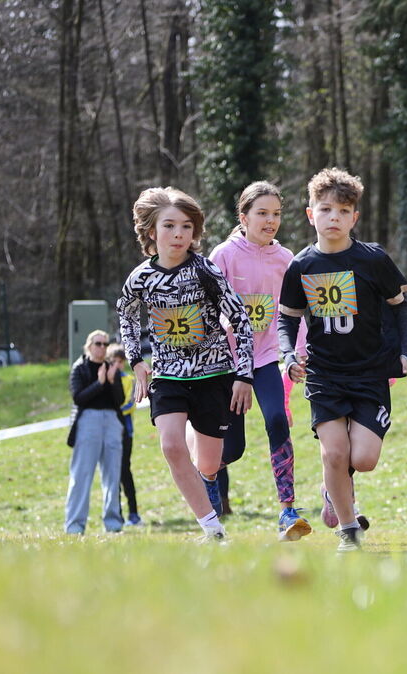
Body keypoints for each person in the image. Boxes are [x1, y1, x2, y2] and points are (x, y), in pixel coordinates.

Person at [278, 168, 407, 552]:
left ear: (355, 217)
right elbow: (286, 318)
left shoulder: (373, 260)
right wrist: (289, 354)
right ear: (310, 215)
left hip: (370, 374)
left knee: (364, 458)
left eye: (342, 210)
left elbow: (402, 308)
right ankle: (349, 530)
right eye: (325, 209)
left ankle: (331, 485)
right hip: (325, 375)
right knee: (334, 452)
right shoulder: (301, 266)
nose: (333, 218)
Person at [116, 187, 255, 543]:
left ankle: (197, 434)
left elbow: (240, 319)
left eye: (186, 227)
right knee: (171, 447)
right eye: (169, 226)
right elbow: (127, 316)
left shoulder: (204, 270)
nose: (178, 234)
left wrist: (244, 374)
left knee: (209, 465)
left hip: (215, 374)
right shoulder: (140, 278)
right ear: (151, 232)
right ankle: (212, 528)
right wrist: (137, 362)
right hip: (168, 376)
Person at [210, 181, 310, 542]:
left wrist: (297, 353)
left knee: (277, 420)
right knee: (232, 449)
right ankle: (204, 488)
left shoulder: (287, 261)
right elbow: (208, 310)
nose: (271, 221)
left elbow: (294, 313)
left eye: (277, 214)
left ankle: (288, 510)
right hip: (227, 363)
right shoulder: (223, 255)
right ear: (243, 217)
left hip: (267, 358)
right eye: (262, 213)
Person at [64, 330, 126, 534]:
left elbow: (120, 400)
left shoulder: (112, 369)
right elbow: (78, 398)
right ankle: (74, 526)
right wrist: (99, 384)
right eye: (98, 343)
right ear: (89, 346)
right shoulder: (79, 368)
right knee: (81, 475)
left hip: (111, 422)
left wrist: (111, 381)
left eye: (105, 344)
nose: (102, 347)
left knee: (113, 475)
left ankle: (114, 524)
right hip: (88, 422)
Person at [107, 344, 142, 526]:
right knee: (111, 474)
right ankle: (116, 515)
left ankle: (134, 514)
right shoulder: (104, 380)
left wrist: (111, 410)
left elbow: (129, 405)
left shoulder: (129, 379)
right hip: (107, 433)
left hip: (124, 432)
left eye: (121, 361)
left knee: (125, 473)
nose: (117, 365)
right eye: (114, 361)